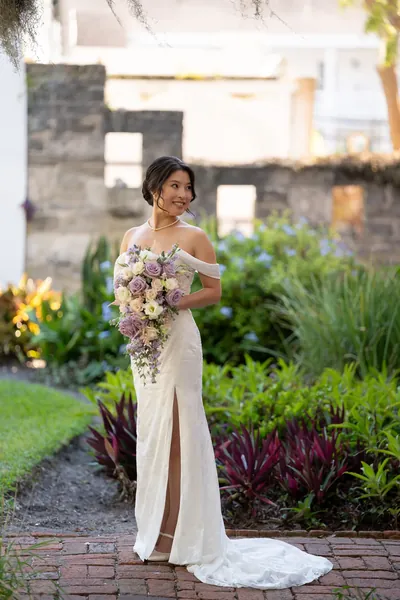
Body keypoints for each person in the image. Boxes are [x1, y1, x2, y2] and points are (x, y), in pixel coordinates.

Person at [114, 156, 333, 589]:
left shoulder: (195, 237)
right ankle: (156, 535)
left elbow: (213, 291)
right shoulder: (130, 236)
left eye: (188, 188)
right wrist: (136, 313)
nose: (184, 195)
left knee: (182, 433)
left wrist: (172, 300)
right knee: (156, 433)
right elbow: (123, 293)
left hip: (179, 344)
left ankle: (183, 536)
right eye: (175, 185)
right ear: (154, 185)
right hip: (144, 348)